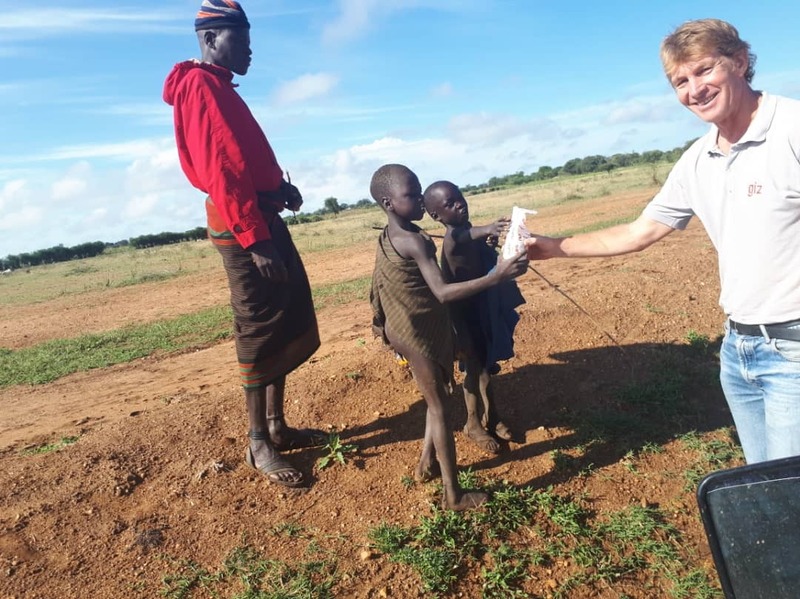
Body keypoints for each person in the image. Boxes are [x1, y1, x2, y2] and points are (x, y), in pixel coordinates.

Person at [525, 18, 800, 465]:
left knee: (788, 495)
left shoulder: (792, 128)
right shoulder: (699, 159)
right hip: (738, 349)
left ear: (740, 62)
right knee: (761, 487)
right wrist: (552, 246)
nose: (695, 89)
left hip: (793, 348)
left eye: (705, 70)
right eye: (681, 81)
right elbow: (639, 231)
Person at [163, 0, 324, 488]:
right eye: (243, 40)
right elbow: (223, 174)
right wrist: (256, 240)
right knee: (257, 326)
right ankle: (258, 441)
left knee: (284, 314)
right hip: (243, 228)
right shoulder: (200, 88)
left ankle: (277, 425)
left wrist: (277, 191)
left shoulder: (218, 87)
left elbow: (243, 164)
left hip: (258, 216)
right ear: (212, 40)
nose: (251, 51)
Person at [369, 164, 528, 510]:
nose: (419, 201)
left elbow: (383, 282)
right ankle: (453, 495)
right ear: (388, 202)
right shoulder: (416, 241)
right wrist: (496, 275)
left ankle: (426, 462)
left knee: (433, 394)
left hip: (402, 326)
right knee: (440, 409)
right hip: (418, 333)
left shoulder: (391, 235)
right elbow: (441, 293)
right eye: (411, 195)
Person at [422, 181, 526, 453]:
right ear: (436, 216)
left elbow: (475, 239)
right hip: (463, 315)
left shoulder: (468, 230)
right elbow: (464, 237)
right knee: (474, 369)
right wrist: (488, 229)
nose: (460, 203)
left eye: (459, 197)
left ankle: (491, 416)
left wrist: (488, 240)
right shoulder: (453, 238)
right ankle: (472, 423)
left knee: (486, 367)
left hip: (481, 308)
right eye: (450, 203)